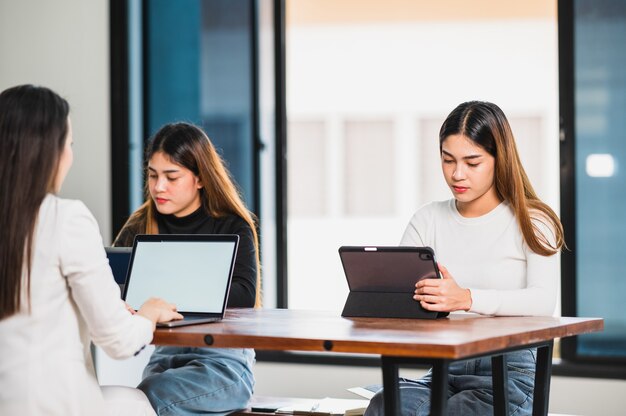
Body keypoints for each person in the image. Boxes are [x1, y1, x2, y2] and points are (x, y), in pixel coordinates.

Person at [364, 101, 565, 416]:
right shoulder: (428, 218)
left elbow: (543, 302)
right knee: (385, 405)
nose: (457, 174)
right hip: (446, 366)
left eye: (473, 162)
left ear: (500, 159)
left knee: (459, 412)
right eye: (448, 160)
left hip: (510, 371)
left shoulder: (534, 220)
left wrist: (465, 298)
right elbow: (401, 296)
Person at [0, 84, 183, 416]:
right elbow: (118, 341)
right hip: (53, 405)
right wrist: (148, 313)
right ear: (50, 153)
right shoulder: (66, 218)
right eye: (69, 144)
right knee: (141, 403)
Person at [113, 122, 261, 416]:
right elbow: (112, 289)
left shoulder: (232, 225)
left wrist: (154, 295)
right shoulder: (140, 225)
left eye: (171, 176)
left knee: (147, 399)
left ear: (200, 179)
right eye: (153, 175)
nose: (158, 187)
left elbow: (244, 294)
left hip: (223, 359)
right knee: (141, 397)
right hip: (165, 354)